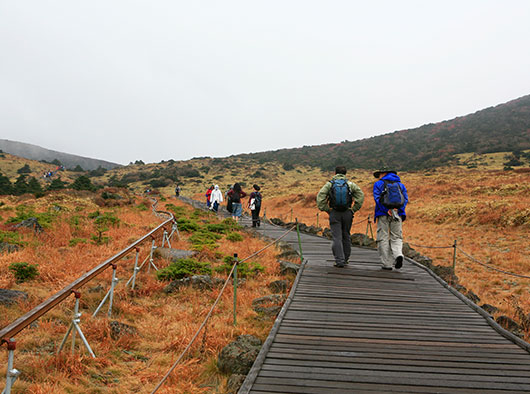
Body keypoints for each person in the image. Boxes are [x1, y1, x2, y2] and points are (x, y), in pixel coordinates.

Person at [317, 166, 365, 267]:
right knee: (346, 236)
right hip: (347, 212)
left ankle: (339, 260)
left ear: (335, 173)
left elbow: (320, 197)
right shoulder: (350, 184)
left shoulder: (330, 184)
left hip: (334, 212)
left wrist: (327, 209)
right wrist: (353, 209)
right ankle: (346, 259)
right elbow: (360, 196)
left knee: (336, 237)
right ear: (345, 173)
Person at [372, 167, 409, 270]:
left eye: (379, 174)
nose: (378, 176)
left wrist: (386, 210)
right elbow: (405, 199)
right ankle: (398, 255)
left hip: (383, 214)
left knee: (383, 237)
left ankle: (387, 264)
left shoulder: (378, 184)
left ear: (384, 173)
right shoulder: (400, 185)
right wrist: (397, 209)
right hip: (398, 214)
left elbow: (377, 199)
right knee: (396, 236)